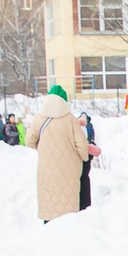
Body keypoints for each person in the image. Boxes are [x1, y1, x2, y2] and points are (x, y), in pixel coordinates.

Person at [33, 87, 93, 222]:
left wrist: (44, 150)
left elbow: (29, 140)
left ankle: (48, 229)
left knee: (49, 205)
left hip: (46, 170)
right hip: (69, 170)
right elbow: (82, 147)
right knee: (67, 209)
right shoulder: (71, 120)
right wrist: (84, 158)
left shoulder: (39, 118)